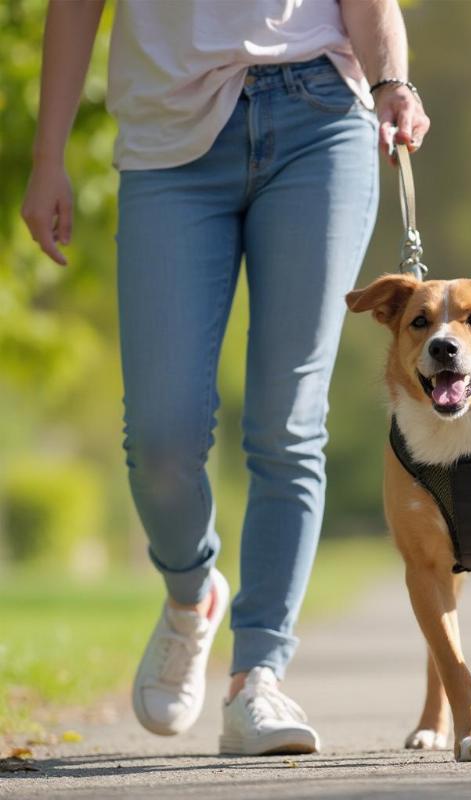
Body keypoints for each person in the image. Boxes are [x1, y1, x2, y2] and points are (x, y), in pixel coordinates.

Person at [21, 0, 429, 756]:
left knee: (288, 422)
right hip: (168, 137)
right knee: (161, 437)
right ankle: (191, 592)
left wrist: (392, 84)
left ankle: (258, 679)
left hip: (319, 117)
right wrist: (50, 158)